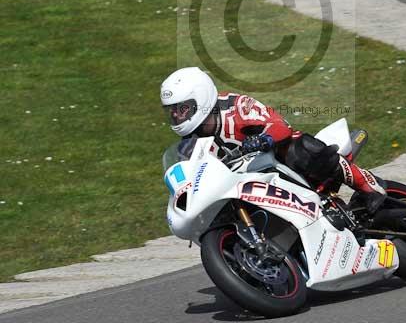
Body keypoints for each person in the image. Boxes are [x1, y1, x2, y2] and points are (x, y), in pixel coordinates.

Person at [160, 66, 386, 213]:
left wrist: (263, 139)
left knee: (300, 149)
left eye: (182, 109)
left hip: (275, 161)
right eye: (171, 111)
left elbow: (279, 125)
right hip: (246, 185)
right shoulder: (188, 147)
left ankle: (368, 187)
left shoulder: (235, 107)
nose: (176, 115)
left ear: (201, 99)